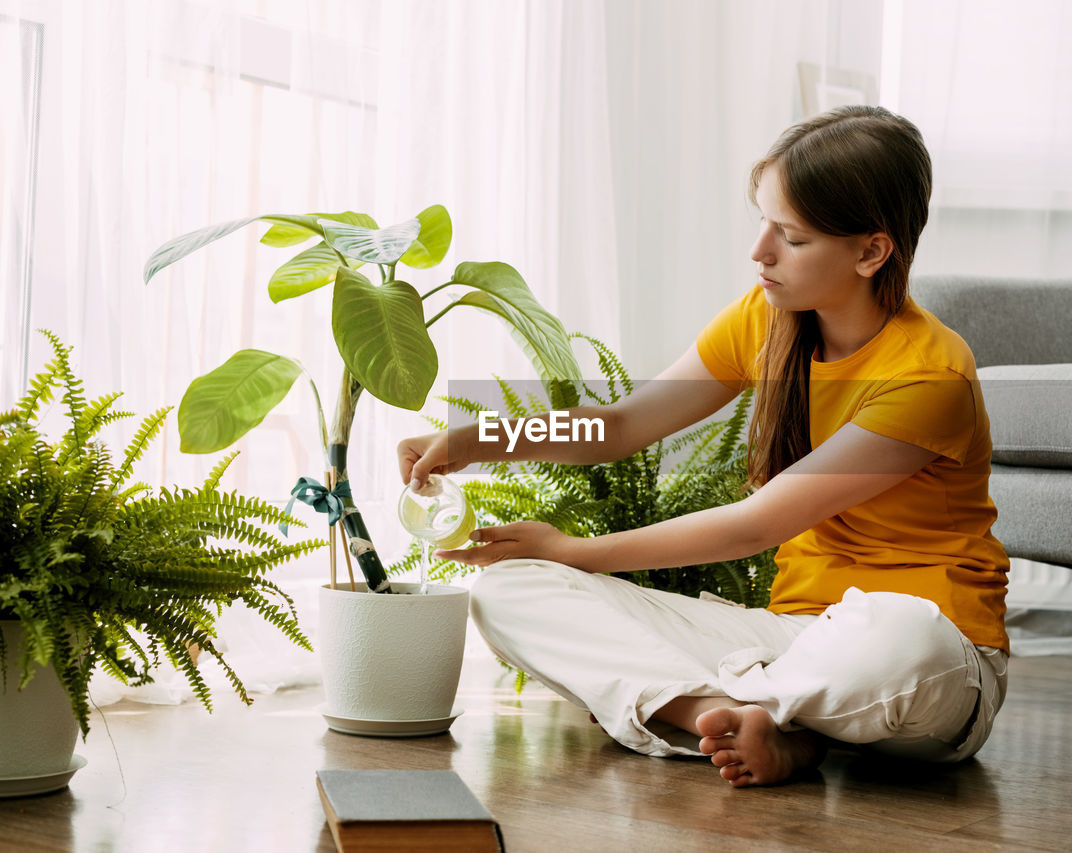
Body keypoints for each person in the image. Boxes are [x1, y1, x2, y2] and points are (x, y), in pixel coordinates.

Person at [397, 105, 1009, 788]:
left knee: (900, 634)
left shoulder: (930, 374)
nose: (759, 252)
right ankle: (725, 713)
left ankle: (761, 712)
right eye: (762, 221)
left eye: (791, 236)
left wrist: (572, 548)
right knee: (509, 589)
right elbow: (621, 427)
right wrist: (486, 437)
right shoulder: (766, 318)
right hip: (794, 639)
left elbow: (759, 523)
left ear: (871, 251)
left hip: (932, 664)